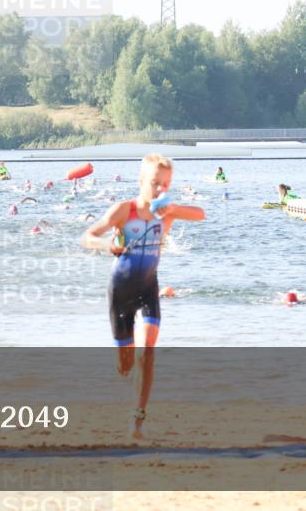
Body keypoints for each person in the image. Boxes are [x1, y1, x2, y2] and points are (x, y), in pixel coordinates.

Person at [80, 154, 205, 440]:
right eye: (154, 183)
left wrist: (174, 207)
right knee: (126, 363)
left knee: (147, 351)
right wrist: (105, 244)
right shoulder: (124, 211)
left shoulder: (167, 213)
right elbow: (87, 236)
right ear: (140, 182)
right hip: (120, 290)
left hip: (149, 288)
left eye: (165, 185)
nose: (160, 190)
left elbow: (200, 214)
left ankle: (137, 419)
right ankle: (122, 360)